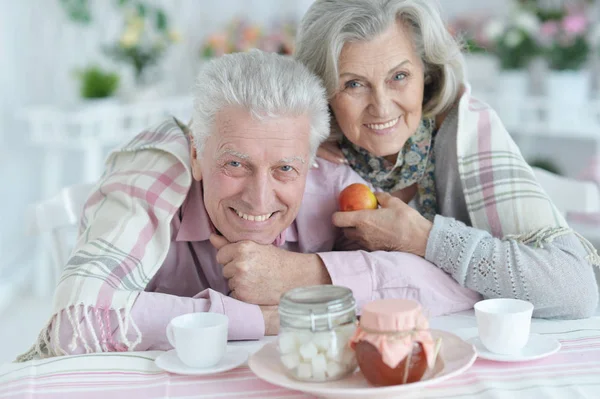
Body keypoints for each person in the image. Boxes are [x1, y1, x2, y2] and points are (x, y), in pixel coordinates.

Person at [18, 50, 479, 360]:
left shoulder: (332, 181)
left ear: (312, 160)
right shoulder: (155, 168)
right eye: (235, 163)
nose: (259, 199)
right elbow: (73, 321)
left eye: (284, 170)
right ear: (198, 152)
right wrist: (260, 319)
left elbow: (458, 289)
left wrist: (311, 276)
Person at [294, 0, 599, 319]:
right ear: (323, 89)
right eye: (353, 84)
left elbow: (575, 291)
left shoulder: (467, 132)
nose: (382, 107)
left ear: (426, 73)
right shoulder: (306, 147)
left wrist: (424, 239)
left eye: (399, 76)